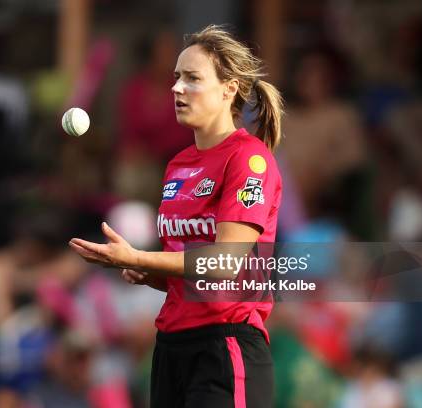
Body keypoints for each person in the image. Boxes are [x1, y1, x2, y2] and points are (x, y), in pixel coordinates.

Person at [69, 24, 283, 408]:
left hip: (224, 345)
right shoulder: (177, 165)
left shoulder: (249, 159)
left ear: (228, 88)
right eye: (176, 78)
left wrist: (138, 257)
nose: (176, 88)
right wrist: (149, 274)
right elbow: (192, 277)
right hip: (171, 347)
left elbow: (225, 263)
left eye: (192, 78)